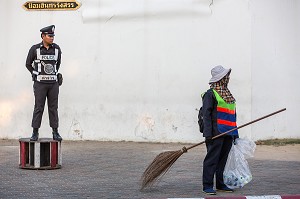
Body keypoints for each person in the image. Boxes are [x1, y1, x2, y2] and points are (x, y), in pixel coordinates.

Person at [201, 65, 238, 195]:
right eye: (225, 76)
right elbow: (206, 115)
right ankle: (207, 185)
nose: (227, 78)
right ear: (220, 79)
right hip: (215, 133)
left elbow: (232, 114)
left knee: (222, 160)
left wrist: (235, 133)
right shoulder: (210, 94)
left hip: (228, 132)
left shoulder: (228, 95)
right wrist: (208, 134)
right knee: (212, 159)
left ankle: (221, 184)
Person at [25, 25, 63, 141]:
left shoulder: (57, 49)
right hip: (40, 84)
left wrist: (54, 75)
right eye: (49, 36)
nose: (52, 38)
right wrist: (35, 73)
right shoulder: (34, 49)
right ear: (43, 36)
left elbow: (57, 64)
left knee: (53, 108)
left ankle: (55, 132)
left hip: (53, 85)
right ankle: (35, 132)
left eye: (53, 36)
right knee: (38, 108)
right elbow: (28, 64)